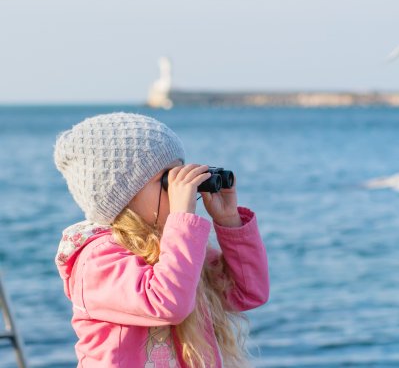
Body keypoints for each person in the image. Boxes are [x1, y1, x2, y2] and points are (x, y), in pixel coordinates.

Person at [53, 112, 270, 367]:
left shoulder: (173, 246)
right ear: (125, 196)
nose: (181, 187)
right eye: (166, 179)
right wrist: (182, 220)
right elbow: (167, 303)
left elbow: (248, 292)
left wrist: (229, 221)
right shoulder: (97, 261)